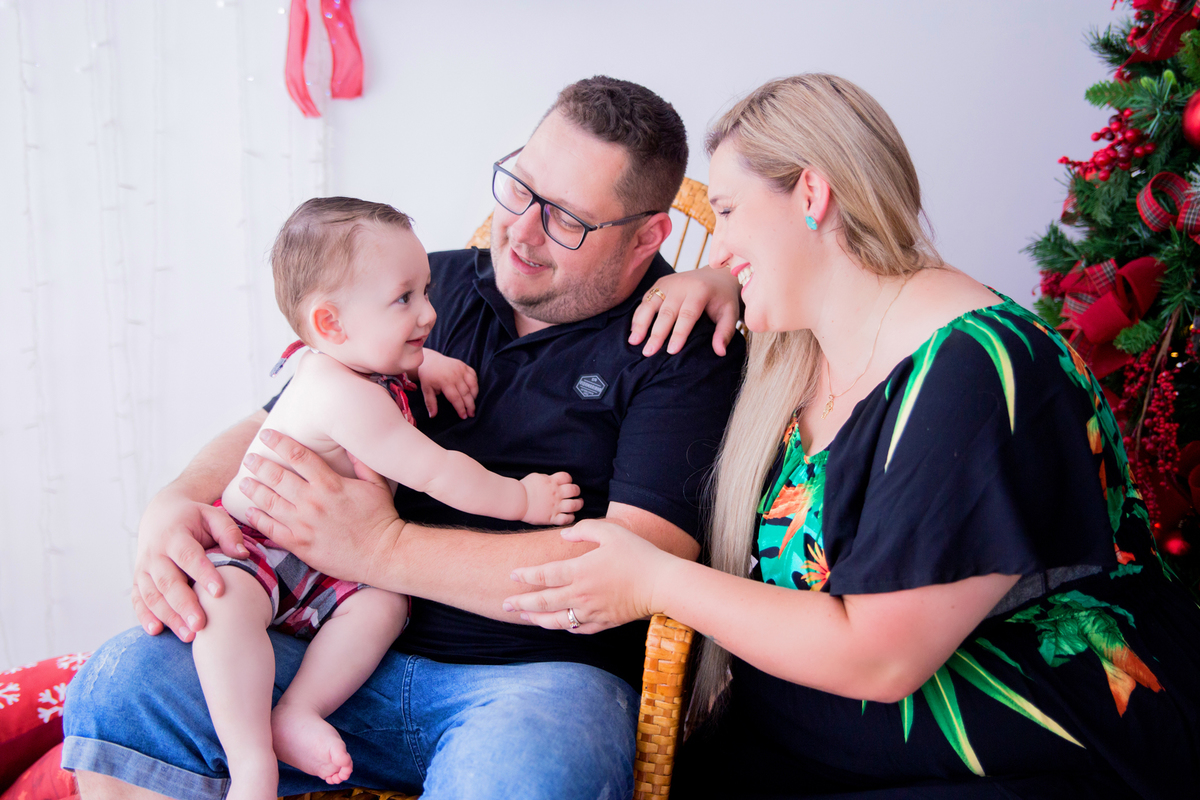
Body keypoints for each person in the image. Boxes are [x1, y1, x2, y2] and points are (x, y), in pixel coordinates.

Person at [504, 74, 1200, 798]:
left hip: (1028, 753)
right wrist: (721, 276)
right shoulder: (804, 346)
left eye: (730, 211)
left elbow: (882, 659)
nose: (721, 239)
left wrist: (654, 579)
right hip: (808, 750)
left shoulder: (979, 371)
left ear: (812, 194)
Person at [62, 76, 747, 800]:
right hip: (329, 653)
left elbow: (638, 562)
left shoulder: (678, 347)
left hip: (530, 689)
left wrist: (379, 549)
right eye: (519, 186)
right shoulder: (425, 288)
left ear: (647, 236)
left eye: (566, 220)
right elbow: (289, 415)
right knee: (126, 682)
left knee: (527, 774)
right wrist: (173, 503)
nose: (519, 231)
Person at [192, 196, 583, 800]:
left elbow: (393, 361)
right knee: (223, 609)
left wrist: (427, 363)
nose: (429, 313)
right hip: (257, 550)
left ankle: (298, 710)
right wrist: (523, 501)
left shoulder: (358, 361)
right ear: (331, 325)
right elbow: (438, 472)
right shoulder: (341, 395)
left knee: (384, 604)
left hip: (330, 568)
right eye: (405, 299)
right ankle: (251, 762)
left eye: (426, 290)